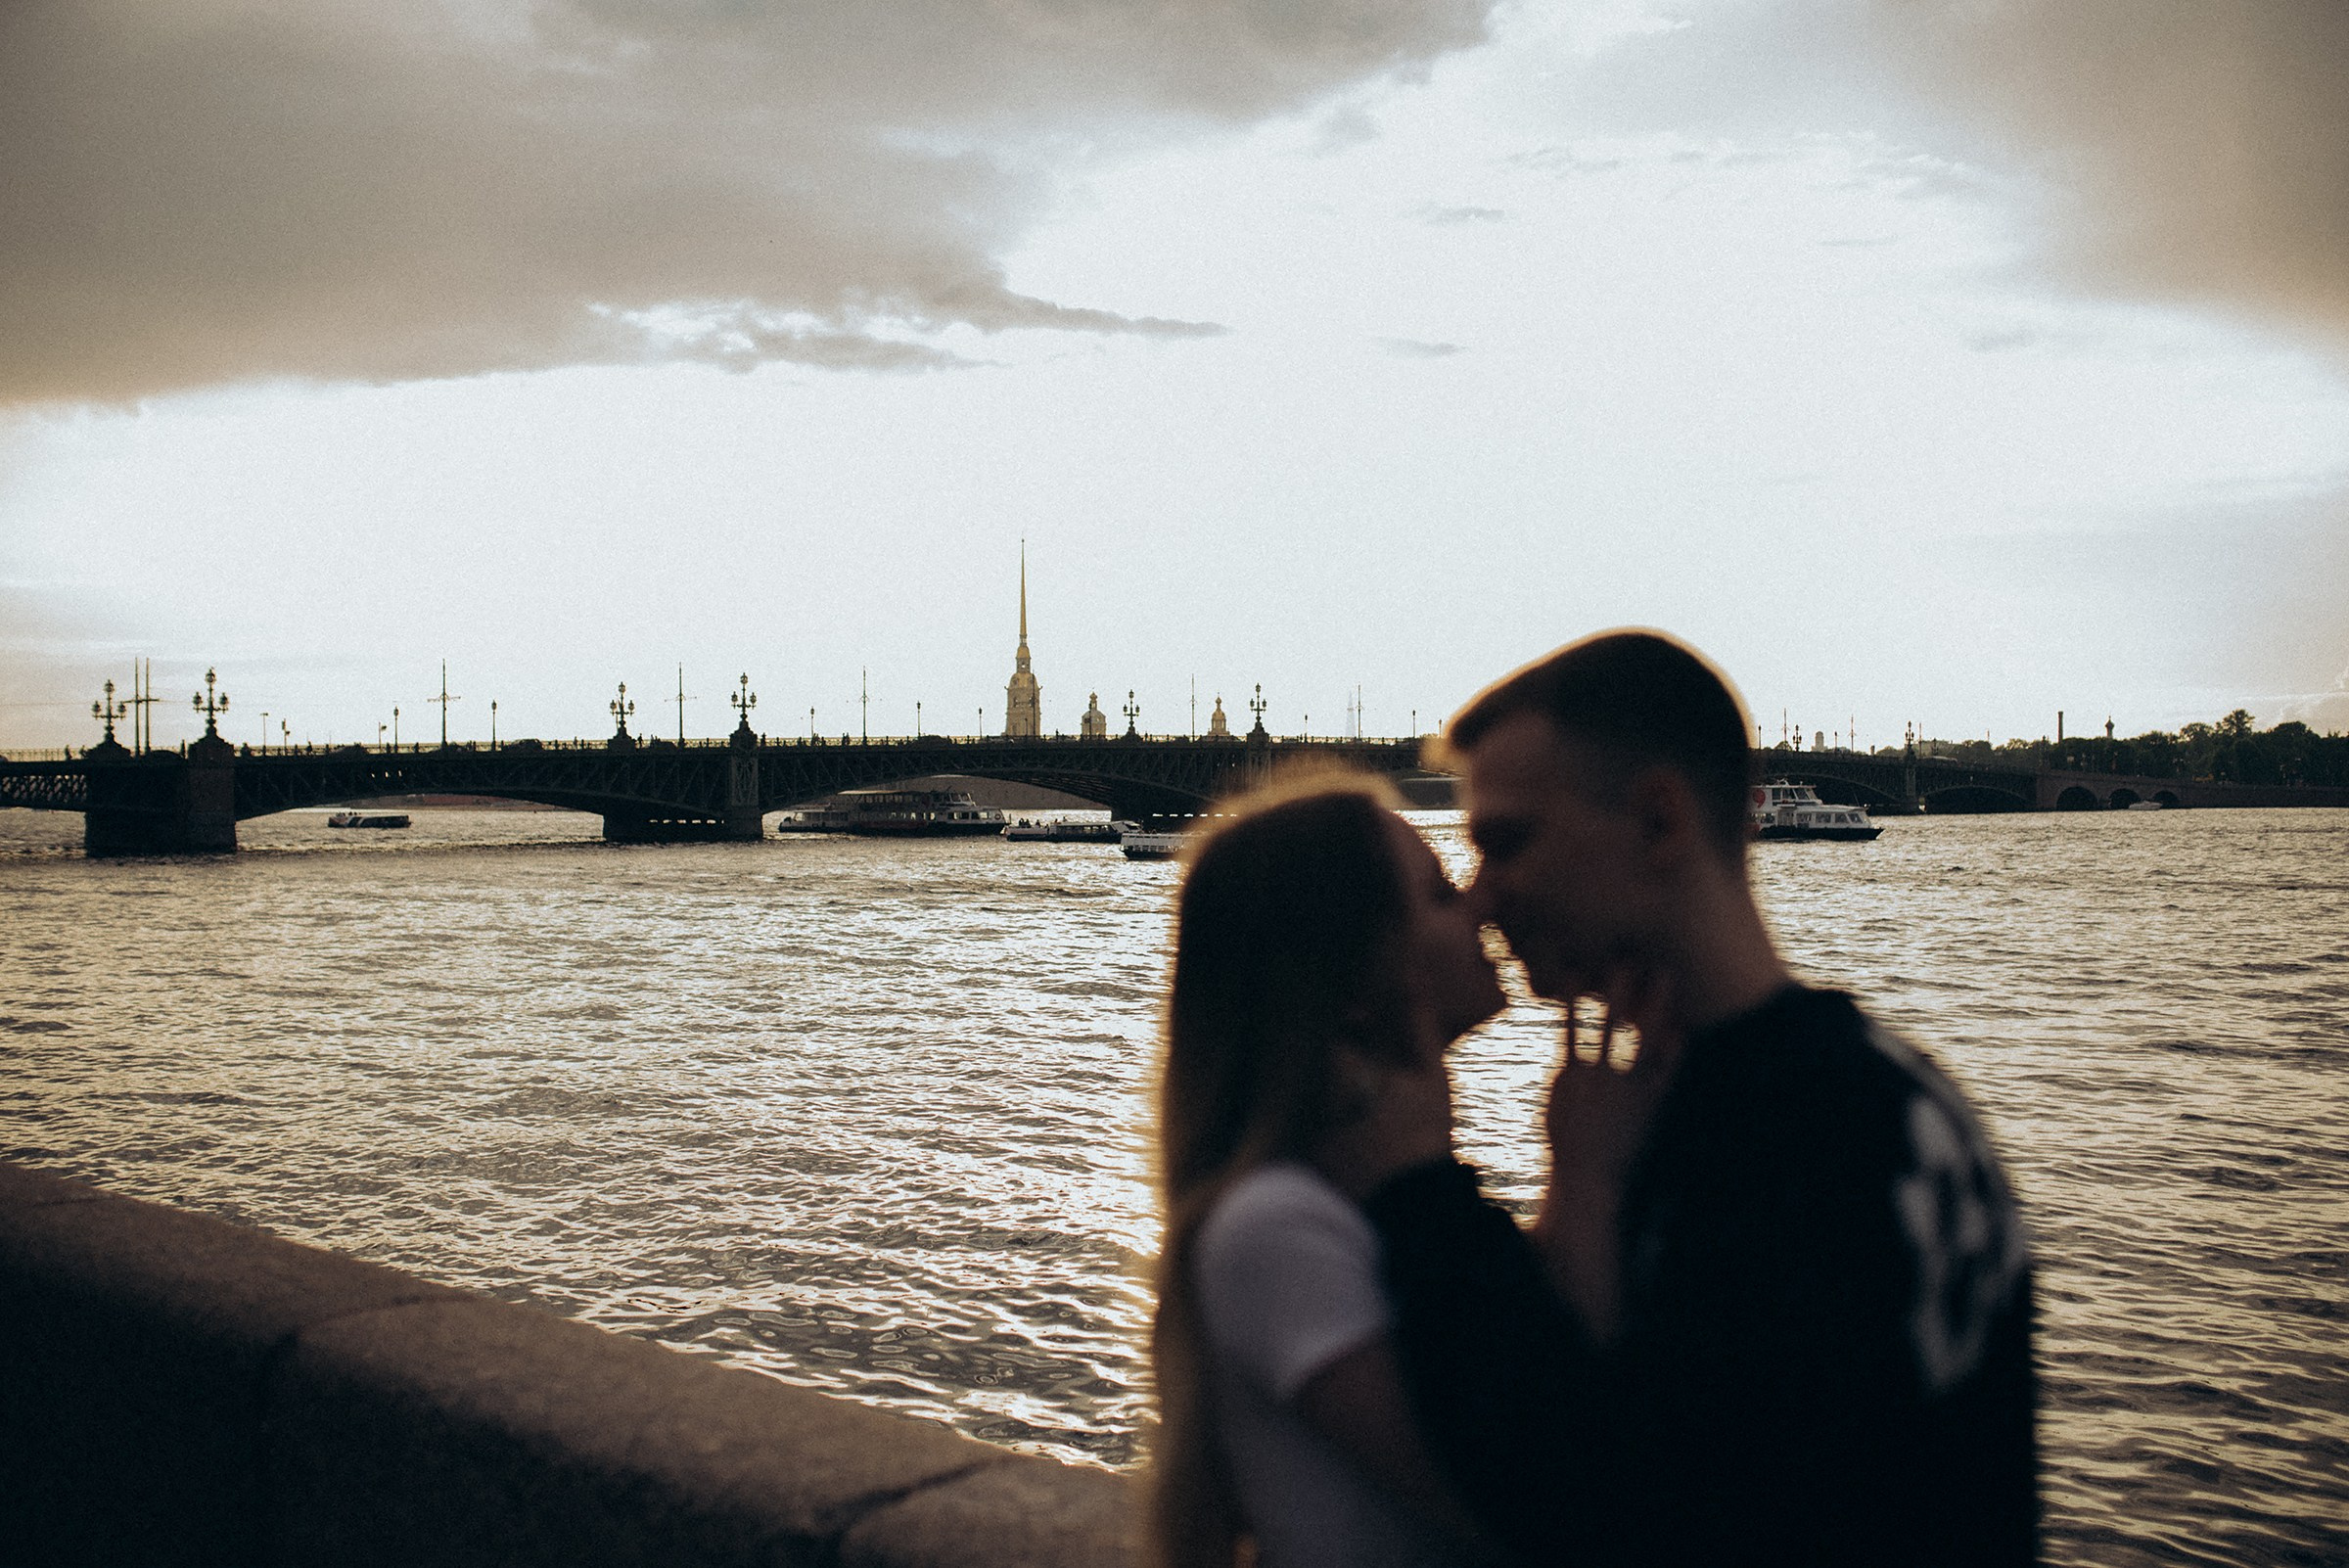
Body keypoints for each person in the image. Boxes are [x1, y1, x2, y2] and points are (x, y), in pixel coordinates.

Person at [1353, 630, 2038, 1567]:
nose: (1479, 900)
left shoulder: (1798, 1142)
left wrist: (1417, 1190)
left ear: (1660, 822)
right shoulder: (1878, 1096)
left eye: (1506, 843)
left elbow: (1619, 1513)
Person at [1148, 777, 1506, 1568]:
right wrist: (1590, 1184)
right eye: (1440, 894)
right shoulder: (1277, 1225)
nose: (1482, 906)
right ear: (1353, 981)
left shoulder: (1340, 1192)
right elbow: (1525, 1491)